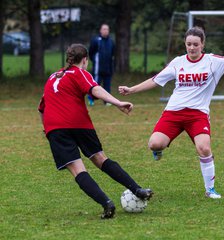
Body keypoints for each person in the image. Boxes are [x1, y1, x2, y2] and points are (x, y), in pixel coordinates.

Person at [119, 27, 224, 199]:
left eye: (195, 44)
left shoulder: (213, 61)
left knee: (204, 148)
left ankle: (210, 189)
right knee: (154, 144)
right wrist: (131, 90)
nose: (192, 48)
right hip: (173, 113)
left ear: (202, 45)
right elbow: (156, 80)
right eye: (189, 44)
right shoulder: (178, 62)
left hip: (198, 114)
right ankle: (159, 150)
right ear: (185, 44)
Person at [38, 44, 153, 219]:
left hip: (55, 127)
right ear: (85, 60)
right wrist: (118, 102)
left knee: (78, 170)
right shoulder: (80, 73)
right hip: (79, 123)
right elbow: (95, 89)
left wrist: (48, 130)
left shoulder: (53, 77)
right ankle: (137, 189)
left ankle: (107, 204)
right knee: (100, 158)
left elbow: (41, 108)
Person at [88, 23, 115, 106]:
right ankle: (91, 99)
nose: (105, 31)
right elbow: (91, 52)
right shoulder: (96, 41)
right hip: (98, 69)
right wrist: (95, 62)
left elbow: (112, 54)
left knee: (107, 86)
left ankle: (107, 101)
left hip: (108, 69)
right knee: (95, 85)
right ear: (100, 30)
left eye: (107, 29)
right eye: (104, 29)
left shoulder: (111, 41)